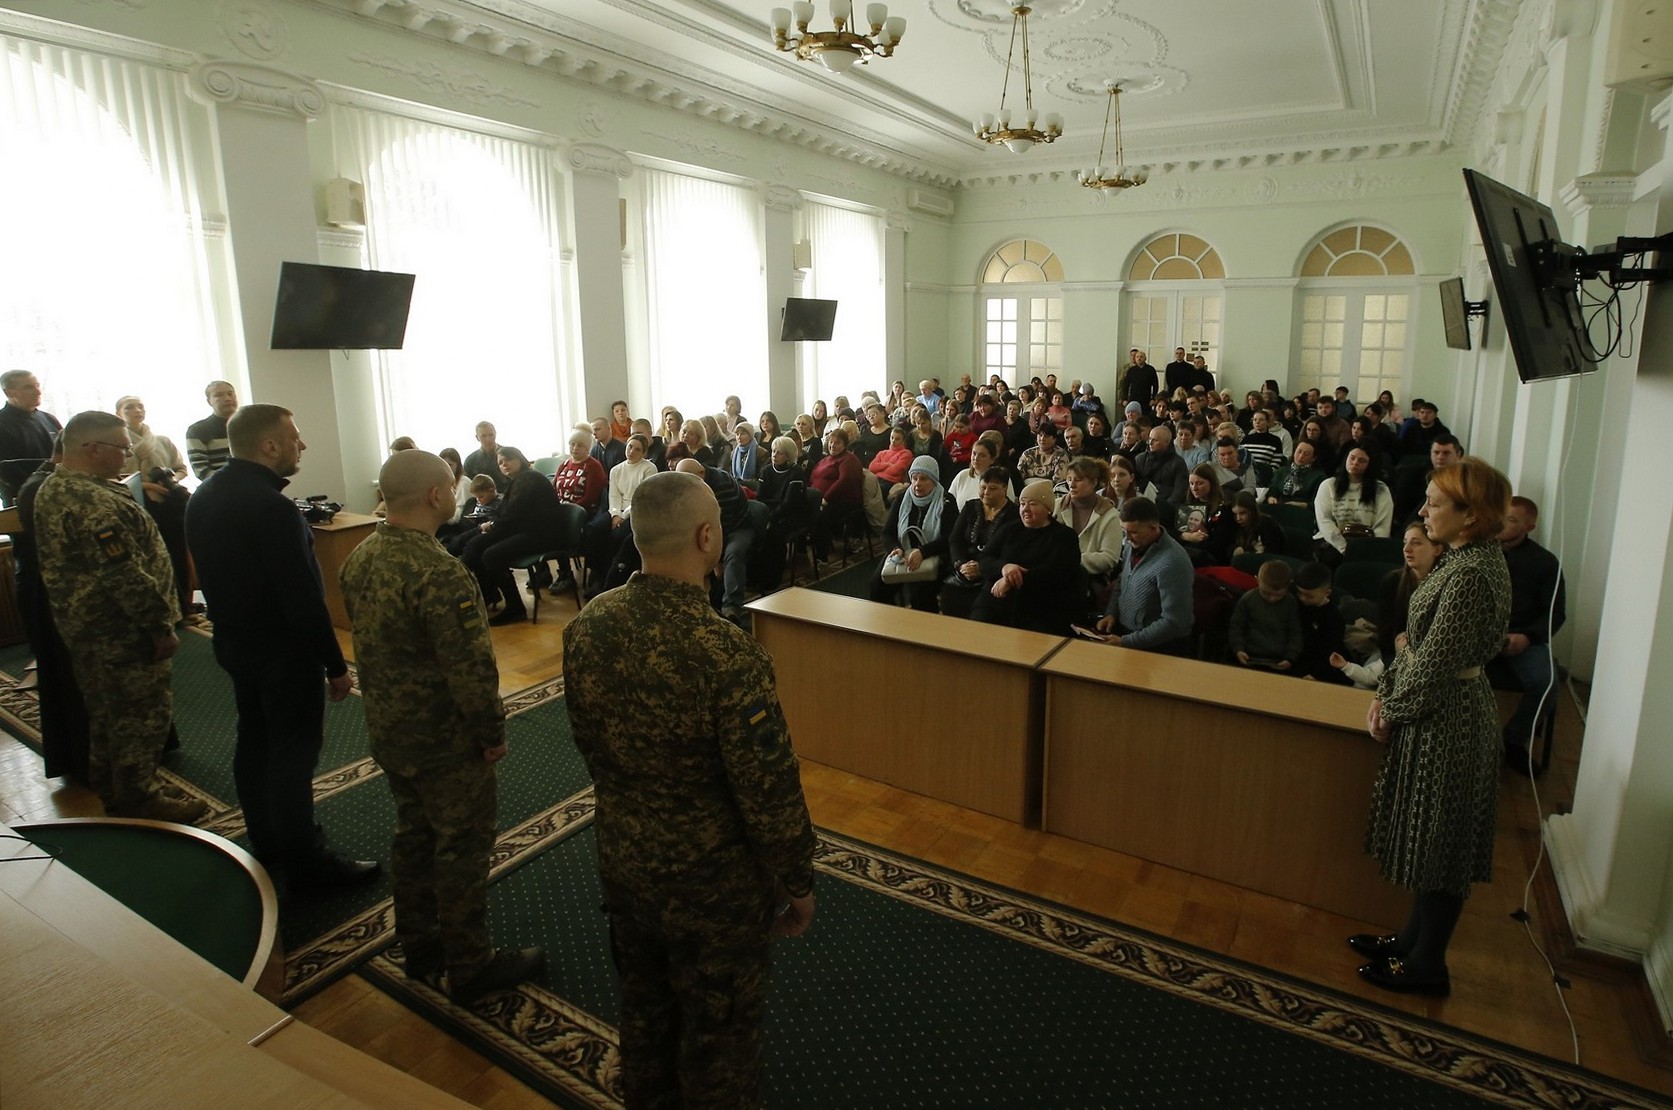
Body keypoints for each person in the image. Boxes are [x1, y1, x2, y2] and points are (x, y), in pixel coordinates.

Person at [562, 470, 815, 1108]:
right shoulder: (727, 655)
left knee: (643, 1010)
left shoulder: (591, 624)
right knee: (719, 1034)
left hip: (624, 859)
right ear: (707, 536)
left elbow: (587, 739)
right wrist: (797, 878)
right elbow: (769, 793)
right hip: (714, 889)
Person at [339, 450, 546, 1005]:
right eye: (450, 487)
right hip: (444, 739)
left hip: (390, 729)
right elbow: (471, 669)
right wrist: (491, 731)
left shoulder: (361, 556)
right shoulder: (439, 572)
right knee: (461, 847)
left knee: (414, 836)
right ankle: (470, 963)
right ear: (436, 496)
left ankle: (421, 944)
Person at [185, 403, 380, 891]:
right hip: (282, 652)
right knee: (293, 756)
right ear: (269, 445)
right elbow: (301, 597)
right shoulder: (271, 507)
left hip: (235, 643)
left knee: (255, 744)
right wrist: (334, 665)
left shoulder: (204, 495)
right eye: (295, 436)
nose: (303, 444)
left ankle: (267, 842)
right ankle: (308, 862)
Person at [1356, 458, 1513, 996]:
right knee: (1431, 843)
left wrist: (1391, 707)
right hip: (1438, 710)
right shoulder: (1465, 557)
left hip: (1450, 720)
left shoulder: (1470, 575)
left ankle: (1429, 966)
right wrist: (1386, 694)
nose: (1423, 512)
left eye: (1435, 504)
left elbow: (1433, 661)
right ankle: (1410, 942)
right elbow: (1417, 647)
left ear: (1469, 517)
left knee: (1442, 850)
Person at [33, 411, 205, 822]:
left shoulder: (55, 488)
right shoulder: (94, 502)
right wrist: (159, 625)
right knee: (138, 717)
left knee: (107, 714)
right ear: (92, 449)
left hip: (87, 628)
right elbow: (124, 574)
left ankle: (113, 786)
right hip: (121, 632)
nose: (128, 458)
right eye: (122, 449)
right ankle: (140, 798)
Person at [1493, 495, 1566, 769]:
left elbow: (1555, 613)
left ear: (1529, 527)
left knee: (1546, 682)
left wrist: (1528, 637)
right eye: (1501, 517)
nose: (1502, 524)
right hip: (1479, 635)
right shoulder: (1478, 551)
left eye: (1511, 520)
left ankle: (1514, 740)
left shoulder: (1545, 563)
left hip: (1523, 638)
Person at [467, 445, 567, 624]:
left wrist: (493, 527)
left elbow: (513, 514)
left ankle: (515, 608)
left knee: (490, 553)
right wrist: (492, 527)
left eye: (508, 460)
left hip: (544, 535)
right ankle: (489, 594)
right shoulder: (518, 480)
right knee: (477, 545)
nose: (504, 464)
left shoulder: (529, 478)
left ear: (519, 459)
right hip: (528, 530)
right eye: (500, 462)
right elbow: (509, 515)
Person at [116, 394, 194, 619]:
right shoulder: (120, 445)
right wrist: (147, 485)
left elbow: (180, 468)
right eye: (130, 407)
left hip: (169, 504)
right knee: (151, 557)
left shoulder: (162, 440)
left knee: (178, 552)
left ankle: (185, 605)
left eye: (140, 406)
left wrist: (171, 482)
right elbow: (119, 477)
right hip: (140, 505)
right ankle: (163, 609)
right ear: (119, 413)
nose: (137, 411)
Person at [971, 479, 1082, 634]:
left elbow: (1056, 573)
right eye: (1022, 504)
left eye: (1033, 504)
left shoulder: (1064, 537)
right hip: (996, 599)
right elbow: (984, 559)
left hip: (1040, 606)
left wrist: (1011, 580)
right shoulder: (1010, 529)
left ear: (1048, 509)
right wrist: (1004, 568)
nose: (1025, 509)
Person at [1094, 497, 1195, 653]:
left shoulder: (1173, 562)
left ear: (1153, 528)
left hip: (1160, 648)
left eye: (1133, 532)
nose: (1127, 538)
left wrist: (1126, 641)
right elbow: (1123, 581)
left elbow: (1175, 622)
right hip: (1128, 636)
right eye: (1124, 531)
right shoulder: (1132, 546)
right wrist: (1111, 613)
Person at [673, 458, 767, 624]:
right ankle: (691, 603)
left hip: (738, 528)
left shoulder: (723, 484)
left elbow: (722, 525)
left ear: (701, 473)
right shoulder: (693, 484)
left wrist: (716, 559)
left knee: (733, 553)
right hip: (710, 529)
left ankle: (731, 608)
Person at [871, 455, 955, 612]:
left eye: (923, 479)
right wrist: (895, 548)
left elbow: (949, 538)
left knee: (920, 596)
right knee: (877, 586)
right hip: (902, 553)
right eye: (914, 478)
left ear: (934, 480)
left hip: (933, 555)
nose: (917, 484)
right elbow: (887, 533)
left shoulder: (946, 501)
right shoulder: (903, 498)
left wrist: (923, 552)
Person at [942, 465, 1016, 619]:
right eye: (983, 487)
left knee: (982, 610)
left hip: (993, 573)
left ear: (1004, 488)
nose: (986, 492)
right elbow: (955, 539)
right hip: (964, 569)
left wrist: (982, 568)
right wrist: (961, 564)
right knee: (949, 599)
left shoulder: (1014, 514)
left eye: (993, 488)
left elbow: (1011, 551)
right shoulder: (970, 507)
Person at [1314, 445, 1393, 564]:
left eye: (1362, 461)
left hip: (1367, 543)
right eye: (1352, 458)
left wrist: (1371, 549)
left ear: (1370, 465)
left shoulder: (1381, 489)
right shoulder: (1328, 485)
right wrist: (1345, 548)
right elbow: (1324, 521)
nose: (1355, 463)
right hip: (1333, 542)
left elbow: (1382, 526)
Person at [0, 370, 62, 503]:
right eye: (28, 387)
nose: (38, 391)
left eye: (37, 385)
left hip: (60, 492)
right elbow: (7, 473)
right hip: (26, 500)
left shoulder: (49, 418)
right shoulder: (2, 424)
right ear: (8, 392)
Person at [1229, 560, 1302, 671]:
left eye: (1278, 595)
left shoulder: (1290, 602)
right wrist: (1239, 649)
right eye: (1266, 593)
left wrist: (1290, 657)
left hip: (1279, 661)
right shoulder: (1248, 599)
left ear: (1288, 587)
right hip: (1249, 657)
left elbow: (1295, 633)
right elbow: (1236, 627)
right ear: (1257, 581)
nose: (1272, 599)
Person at [1293, 560, 1351, 684]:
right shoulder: (1293, 603)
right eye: (1299, 593)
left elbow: (1330, 650)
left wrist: (1315, 674)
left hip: (1320, 666)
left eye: (1309, 596)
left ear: (1327, 593)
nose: (1302, 598)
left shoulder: (1334, 617)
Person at [184, 379, 238, 481]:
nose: (227, 398)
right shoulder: (197, 430)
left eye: (230, 394)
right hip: (220, 489)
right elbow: (201, 470)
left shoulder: (251, 425)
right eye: (219, 395)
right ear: (209, 401)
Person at [1135, 423, 1189, 506]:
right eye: (1150, 439)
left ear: (1167, 442)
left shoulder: (1178, 463)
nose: (1150, 443)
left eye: (1155, 440)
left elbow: (1179, 492)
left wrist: (1165, 508)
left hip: (1166, 507)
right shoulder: (1140, 459)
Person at [1267, 441, 1326, 507]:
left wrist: (1302, 505)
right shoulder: (1282, 471)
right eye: (1299, 452)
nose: (1301, 456)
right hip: (1279, 507)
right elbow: (1272, 491)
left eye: (1306, 454)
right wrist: (1271, 498)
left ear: (1313, 458)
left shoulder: (1319, 477)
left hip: (1302, 511)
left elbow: (1317, 504)